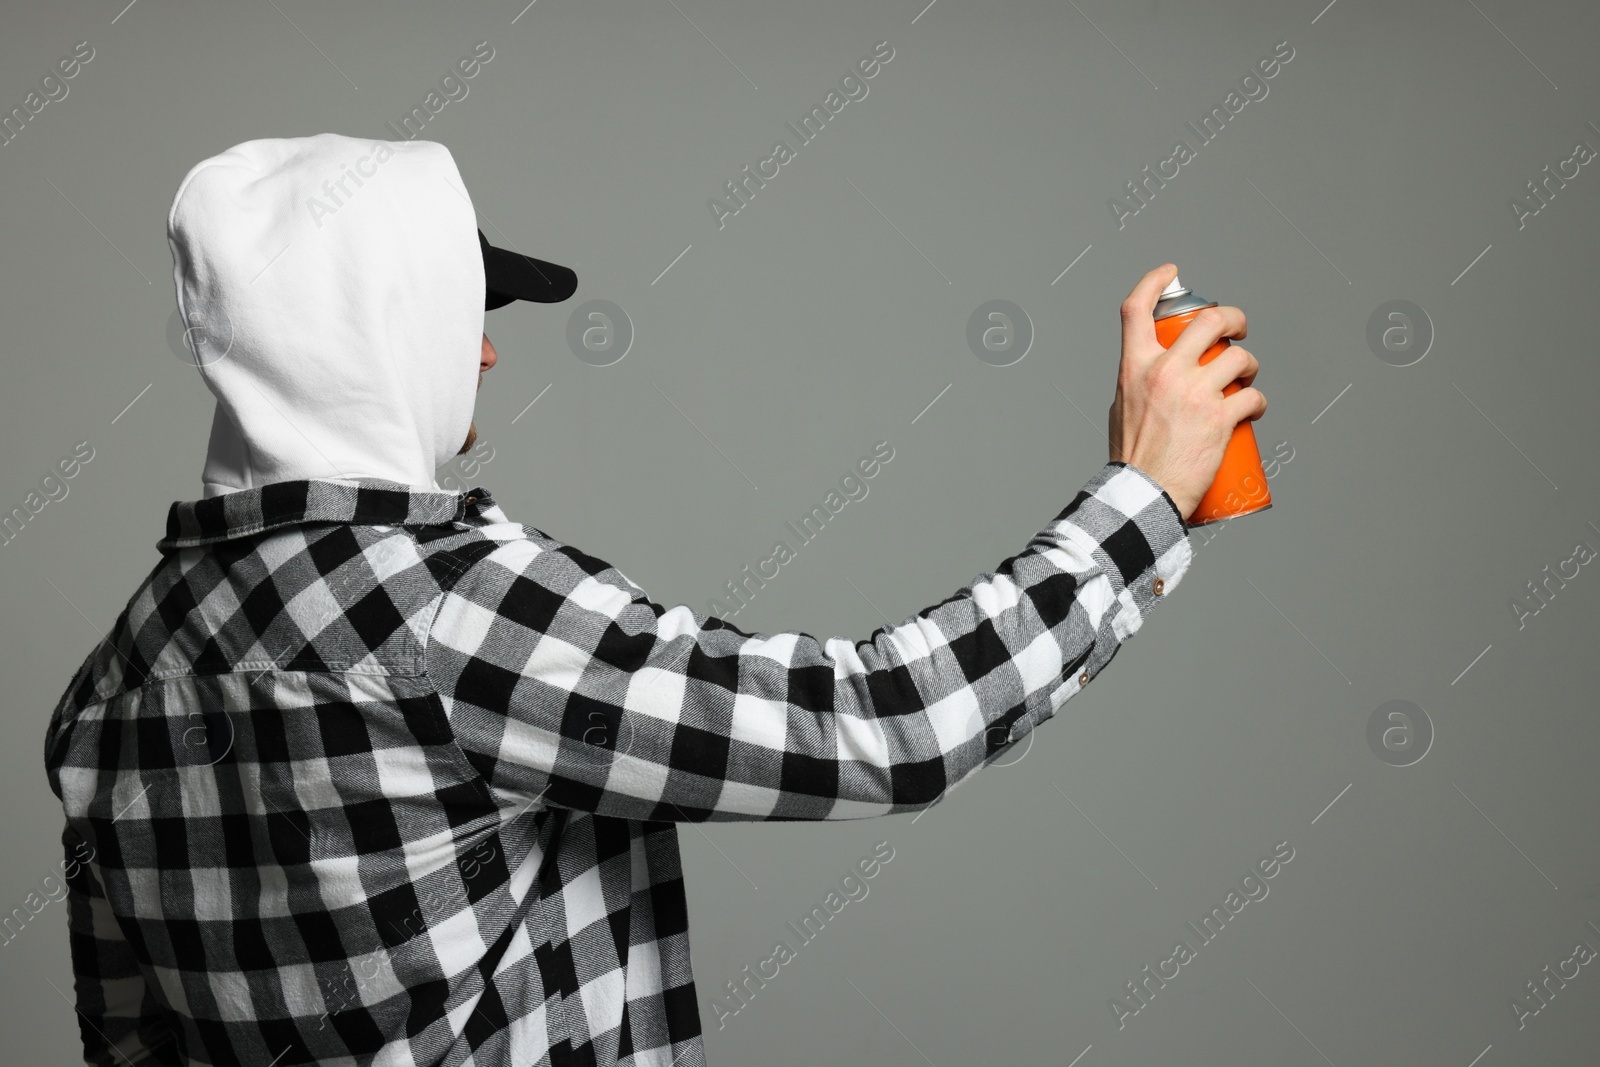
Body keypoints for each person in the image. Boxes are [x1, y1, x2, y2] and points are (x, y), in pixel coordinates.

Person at [43, 133, 1264, 1067]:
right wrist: (1142, 492)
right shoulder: (455, 620)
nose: (484, 352)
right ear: (389, 327)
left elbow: (125, 1043)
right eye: (466, 312)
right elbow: (886, 725)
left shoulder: (109, 685)